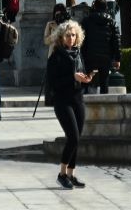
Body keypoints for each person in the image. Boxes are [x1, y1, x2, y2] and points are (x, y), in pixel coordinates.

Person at [48, 20, 95, 189]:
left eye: (73, 35)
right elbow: (53, 82)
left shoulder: (78, 53)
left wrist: (86, 80)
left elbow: (80, 76)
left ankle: (71, 174)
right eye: (68, 35)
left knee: (77, 139)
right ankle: (61, 173)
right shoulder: (56, 55)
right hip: (62, 101)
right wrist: (72, 78)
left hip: (77, 99)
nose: (71, 38)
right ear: (61, 37)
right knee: (73, 137)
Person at [79, 0, 121, 94]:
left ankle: (86, 102)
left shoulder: (86, 21)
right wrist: (117, 58)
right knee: (104, 81)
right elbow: (116, 41)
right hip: (106, 57)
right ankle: (104, 103)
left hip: (89, 55)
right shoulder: (111, 22)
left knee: (87, 79)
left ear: (94, 6)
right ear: (105, 7)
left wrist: (82, 54)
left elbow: (81, 39)